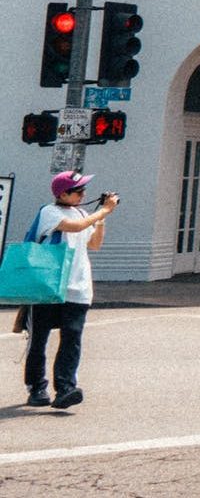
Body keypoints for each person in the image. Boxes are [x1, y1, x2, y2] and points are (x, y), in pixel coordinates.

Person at [24, 170, 118, 409]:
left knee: (72, 339)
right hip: (48, 286)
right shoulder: (49, 212)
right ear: (63, 193)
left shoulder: (82, 213)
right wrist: (104, 210)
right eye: (79, 191)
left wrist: (101, 219)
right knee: (39, 339)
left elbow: (94, 244)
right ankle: (37, 387)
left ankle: (65, 388)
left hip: (78, 288)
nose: (83, 194)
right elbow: (74, 228)